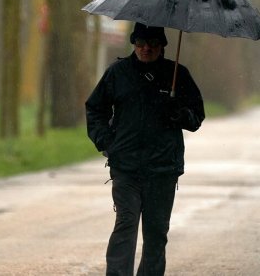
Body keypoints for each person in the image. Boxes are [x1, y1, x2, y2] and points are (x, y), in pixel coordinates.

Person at [85, 22, 205, 275]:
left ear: (162, 46)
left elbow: (196, 118)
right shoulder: (118, 73)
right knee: (125, 224)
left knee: (156, 233)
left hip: (163, 168)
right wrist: (106, 142)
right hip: (126, 167)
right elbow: (95, 108)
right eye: (140, 43)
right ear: (133, 43)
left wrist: (179, 113)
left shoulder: (177, 75)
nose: (146, 48)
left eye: (152, 44)